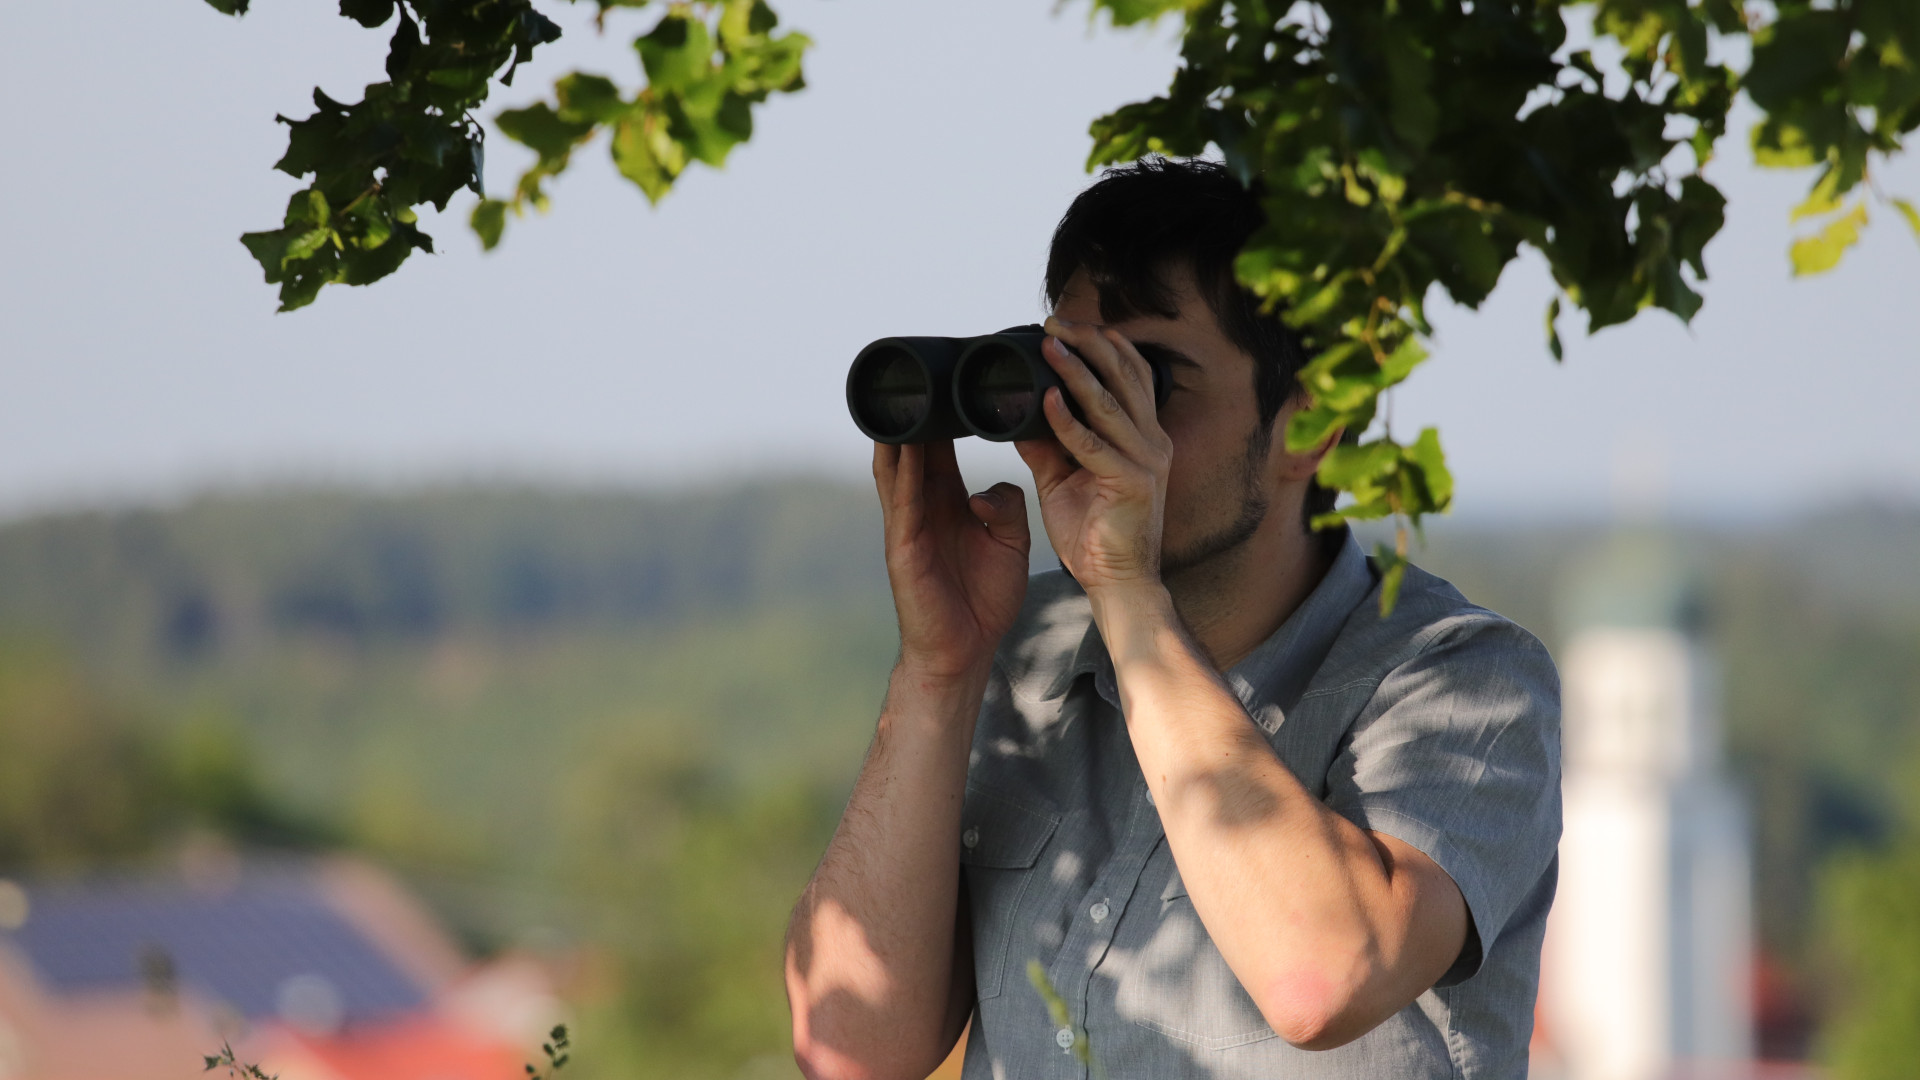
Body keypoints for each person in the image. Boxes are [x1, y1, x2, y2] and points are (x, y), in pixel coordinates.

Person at [784, 158, 1561, 1080]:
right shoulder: (1022, 659)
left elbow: (1322, 980)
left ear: (1308, 426)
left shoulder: (1458, 682)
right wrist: (937, 670)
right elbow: (849, 1044)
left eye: (1148, 381)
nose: (1098, 427)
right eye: (1070, 375)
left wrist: (1125, 587)